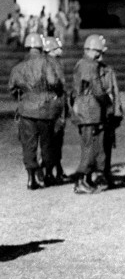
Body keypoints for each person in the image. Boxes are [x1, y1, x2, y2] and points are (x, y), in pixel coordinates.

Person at [8, 32, 65, 189]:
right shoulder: (47, 63)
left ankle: (31, 177)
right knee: (47, 143)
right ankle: (47, 174)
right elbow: (54, 82)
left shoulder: (18, 67)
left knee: (29, 145)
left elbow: (12, 88)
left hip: (26, 110)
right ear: (41, 46)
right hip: (45, 110)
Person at [70, 34, 112, 193]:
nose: (100, 55)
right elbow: (97, 89)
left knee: (90, 146)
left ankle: (85, 180)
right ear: (93, 50)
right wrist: (107, 104)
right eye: (99, 51)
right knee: (90, 148)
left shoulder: (81, 63)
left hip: (84, 109)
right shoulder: (90, 65)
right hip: (90, 111)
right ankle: (80, 182)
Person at [92, 35, 123, 189]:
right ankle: (98, 173)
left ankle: (105, 172)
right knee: (96, 145)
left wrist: (117, 112)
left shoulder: (108, 70)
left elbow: (115, 92)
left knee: (107, 144)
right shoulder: (88, 70)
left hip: (107, 113)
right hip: (94, 113)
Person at [43, 36, 70, 184]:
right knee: (55, 139)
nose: (61, 49)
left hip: (49, 105)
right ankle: (52, 170)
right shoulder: (53, 64)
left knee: (50, 139)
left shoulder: (49, 62)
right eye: (58, 47)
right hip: (55, 104)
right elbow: (56, 83)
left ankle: (54, 169)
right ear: (51, 50)